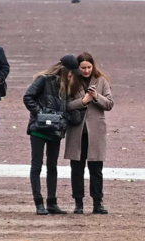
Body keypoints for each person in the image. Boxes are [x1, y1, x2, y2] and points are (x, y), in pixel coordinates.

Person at [23, 55, 79, 215]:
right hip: (39, 129)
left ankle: (52, 202)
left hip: (55, 130)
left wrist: (64, 119)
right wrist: (41, 113)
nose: (72, 75)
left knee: (52, 166)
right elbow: (28, 97)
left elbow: (66, 107)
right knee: (37, 165)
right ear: (65, 70)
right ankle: (39, 203)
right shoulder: (44, 80)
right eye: (71, 72)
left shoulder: (67, 86)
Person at [65, 52, 113, 215]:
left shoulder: (101, 81)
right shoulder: (71, 81)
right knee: (76, 169)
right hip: (77, 130)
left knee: (96, 169)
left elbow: (109, 104)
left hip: (96, 131)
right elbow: (67, 105)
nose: (86, 71)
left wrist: (95, 96)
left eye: (89, 67)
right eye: (83, 68)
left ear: (93, 66)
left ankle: (97, 203)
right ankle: (78, 203)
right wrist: (83, 101)